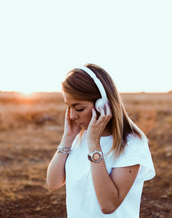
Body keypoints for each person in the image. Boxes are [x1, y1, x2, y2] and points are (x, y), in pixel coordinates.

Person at [46, 63, 155, 217]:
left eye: (78, 108)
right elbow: (53, 182)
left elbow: (108, 205)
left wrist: (94, 145)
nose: (71, 116)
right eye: (68, 107)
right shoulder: (78, 137)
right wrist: (67, 138)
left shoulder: (132, 144)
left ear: (102, 105)